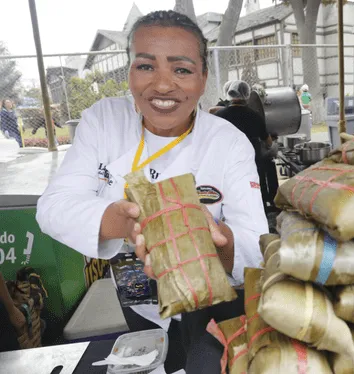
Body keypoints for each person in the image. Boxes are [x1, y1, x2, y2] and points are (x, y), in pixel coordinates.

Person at [35, 10, 268, 373]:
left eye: (181, 69)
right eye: (145, 66)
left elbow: (257, 245)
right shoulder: (104, 121)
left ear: (204, 78)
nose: (161, 85)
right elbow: (52, 208)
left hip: (212, 302)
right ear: (129, 70)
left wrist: (219, 242)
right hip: (138, 298)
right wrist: (124, 223)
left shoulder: (228, 143)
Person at [214, 80, 276, 208]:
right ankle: (262, 206)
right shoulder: (255, 116)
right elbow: (268, 142)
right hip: (252, 163)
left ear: (229, 95)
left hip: (228, 163)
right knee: (257, 189)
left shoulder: (219, 116)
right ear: (247, 95)